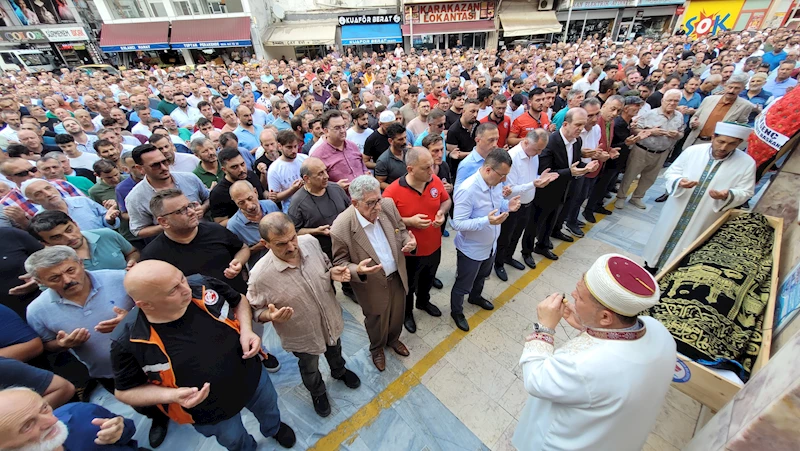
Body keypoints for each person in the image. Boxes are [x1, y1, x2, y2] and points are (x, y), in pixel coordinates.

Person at [112, 260, 296, 450]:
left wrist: (247, 331)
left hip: (253, 378)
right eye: (172, 290)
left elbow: (239, 300)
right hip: (207, 411)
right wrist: (172, 395)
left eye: (181, 278)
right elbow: (125, 391)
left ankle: (274, 429)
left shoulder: (202, 285)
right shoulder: (129, 340)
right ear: (145, 304)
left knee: (269, 408)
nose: (185, 289)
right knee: (233, 439)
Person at [512, 254, 676, 451]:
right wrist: (587, 325)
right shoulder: (658, 331)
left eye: (579, 296)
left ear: (606, 317)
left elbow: (537, 380)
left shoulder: (583, 365)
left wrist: (544, 328)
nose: (572, 294)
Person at [247, 212, 361, 417]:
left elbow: (326, 266)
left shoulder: (309, 242)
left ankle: (339, 371)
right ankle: (318, 392)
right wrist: (270, 316)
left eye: (292, 238)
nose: (291, 247)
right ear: (265, 244)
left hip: (329, 320)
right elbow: (253, 310)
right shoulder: (259, 276)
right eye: (281, 244)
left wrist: (332, 273)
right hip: (302, 335)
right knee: (310, 367)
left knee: (335, 349)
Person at [331, 175, 416, 371]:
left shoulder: (387, 205)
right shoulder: (341, 228)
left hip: (397, 276)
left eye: (379, 199)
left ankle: (393, 339)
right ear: (355, 203)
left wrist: (407, 242)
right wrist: (357, 269)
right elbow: (340, 262)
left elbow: (401, 230)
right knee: (376, 318)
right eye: (371, 203)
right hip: (370, 284)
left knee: (397, 313)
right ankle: (377, 348)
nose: (378, 207)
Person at [644, 123, 755, 272]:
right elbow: (672, 172)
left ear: (739, 143)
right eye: (721, 141)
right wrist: (679, 181)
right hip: (677, 207)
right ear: (713, 137)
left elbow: (746, 191)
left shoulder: (747, 163)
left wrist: (727, 195)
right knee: (662, 238)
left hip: (706, 215)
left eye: (731, 144)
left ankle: (671, 274)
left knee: (690, 247)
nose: (723, 148)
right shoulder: (693, 151)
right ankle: (650, 266)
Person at [450, 148, 522, 331]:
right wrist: (486, 221)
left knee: (482, 276)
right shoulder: (467, 190)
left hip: (490, 245)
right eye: (502, 175)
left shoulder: (495, 183)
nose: (504, 180)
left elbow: (496, 205)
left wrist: (508, 205)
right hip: (471, 249)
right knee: (463, 284)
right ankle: (456, 311)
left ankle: (476, 297)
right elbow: (457, 223)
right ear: (488, 169)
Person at [383, 147, 451, 333]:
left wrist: (441, 213)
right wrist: (409, 221)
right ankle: (407, 313)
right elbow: (383, 219)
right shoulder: (392, 192)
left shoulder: (434, 180)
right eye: (426, 168)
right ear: (410, 169)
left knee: (428, 279)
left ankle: (423, 302)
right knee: (408, 286)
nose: (431, 171)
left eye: (432, 166)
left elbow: (446, 201)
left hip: (434, 246)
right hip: (409, 252)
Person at [140, 189, 250, 294]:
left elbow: (242, 248)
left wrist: (238, 262)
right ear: (163, 222)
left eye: (190, 206)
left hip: (239, 302)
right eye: (181, 211)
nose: (192, 212)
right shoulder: (153, 256)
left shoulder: (215, 230)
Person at [495, 130, 558, 280]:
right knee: (505, 236)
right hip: (512, 204)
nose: (539, 153)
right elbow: (509, 189)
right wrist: (533, 183)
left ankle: (508, 257)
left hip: (527, 202)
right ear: (525, 142)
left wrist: (539, 179)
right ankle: (498, 263)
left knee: (517, 234)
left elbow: (530, 178)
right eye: (537, 149)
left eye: (542, 149)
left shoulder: (533, 155)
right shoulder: (512, 157)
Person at [0, 387, 143, 451]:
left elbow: (128, 432)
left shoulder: (80, 413)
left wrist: (120, 429)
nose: (52, 421)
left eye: (44, 408)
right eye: (27, 426)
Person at [615, 89, 684, 210]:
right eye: (669, 100)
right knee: (630, 175)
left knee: (650, 178)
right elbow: (634, 130)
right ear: (663, 100)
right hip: (643, 150)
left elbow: (682, 132)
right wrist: (651, 131)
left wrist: (677, 135)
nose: (672, 103)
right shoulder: (650, 114)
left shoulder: (679, 116)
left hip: (662, 152)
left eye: (676, 101)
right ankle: (621, 197)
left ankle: (637, 197)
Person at [125, 144, 210, 238]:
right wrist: (171, 224)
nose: (164, 168)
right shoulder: (135, 198)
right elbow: (138, 230)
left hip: (205, 235)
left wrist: (203, 208)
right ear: (140, 168)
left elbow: (209, 198)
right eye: (155, 165)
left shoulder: (190, 178)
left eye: (165, 162)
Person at [28, 210, 139, 271]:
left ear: (76, 224)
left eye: (69, 230)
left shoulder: (107, 234)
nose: (69, 237)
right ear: (45, 243)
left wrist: (132, 261)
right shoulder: (48, 265)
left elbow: (132, 252)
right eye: (57, 237)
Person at [683, 74, 753, 150]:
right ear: (725, 86)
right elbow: (696, 116)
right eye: (730, 87)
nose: (732, 91)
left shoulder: (745, 106)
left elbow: (741, 126)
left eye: (736, 88)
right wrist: (693, 122)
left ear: (742, 89)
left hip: (716, 145)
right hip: (695, 140)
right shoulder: (709, 99)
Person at [22, 179, 120, 231]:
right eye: (38, 193)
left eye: (48, 188)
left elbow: (107, 220)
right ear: (33, 202)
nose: (48, 194)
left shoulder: (82, 201)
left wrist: (110, 220)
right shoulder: (40, 221)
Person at [226, 180, 280, 268]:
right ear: (235, 202)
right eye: (241, 203)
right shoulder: (234, 225)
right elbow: (237, 256)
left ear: (255, 192)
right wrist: (257, 247)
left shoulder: (270, 205)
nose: (249, 206)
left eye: (250, 198)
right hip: (262, 268)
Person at [210, 147, 266, 225]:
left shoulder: (251, 175)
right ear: (224, 170)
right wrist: (246, 215)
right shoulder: (218, 193)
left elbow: (263, 195)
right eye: (234, 167)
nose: (241, 169)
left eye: (242, 164)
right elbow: (220, 223)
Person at [313, 110, 370, 183]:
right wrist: (336, 188)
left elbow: (363, 168)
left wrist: (367, 175)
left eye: (344, 126)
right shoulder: (318, 156)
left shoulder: (353, 146)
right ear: (326, 131)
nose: (342, 130)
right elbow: (316, 185)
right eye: (337, 128)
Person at [268, 130, 307, 213]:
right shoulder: (274, 169)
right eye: (289, 147)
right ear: (280, 146)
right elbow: (275, 198)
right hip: (292, 210)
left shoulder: (305, 159)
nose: (293, 150)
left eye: (295, 146)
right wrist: (292, 189)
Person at [374, 123, 409, 189]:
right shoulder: (383, 160)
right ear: (390, 141)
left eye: (405, 138)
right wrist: (397, 190)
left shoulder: (409, 152)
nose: (404, 142)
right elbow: (380, 182)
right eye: (400, 139)